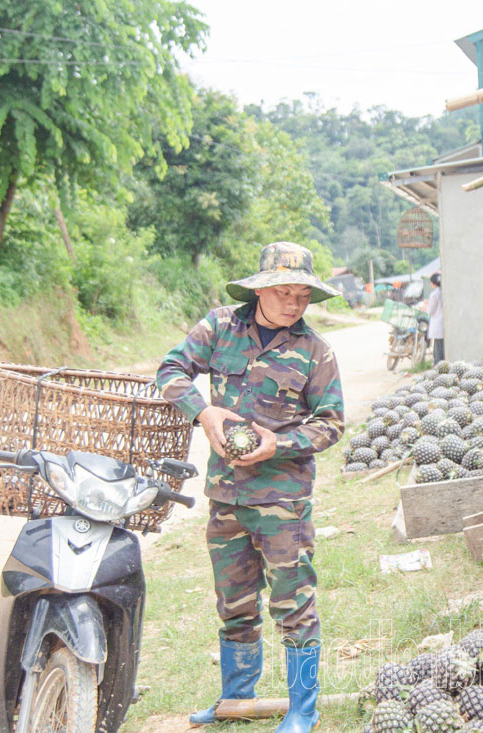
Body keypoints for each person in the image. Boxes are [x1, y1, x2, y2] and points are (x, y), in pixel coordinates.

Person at [156, 242, 344, 731]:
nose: (293, 303)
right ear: (261, 289)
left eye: (302, 295)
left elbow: (331, 424)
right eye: (284, 292)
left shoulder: (315, 352)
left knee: (293, 602)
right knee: (234, 602)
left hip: (282, 501)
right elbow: (170, 370)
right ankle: (236, 699)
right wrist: (205, 411)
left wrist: (277, 444)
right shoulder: (220, 327)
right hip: (226, 497)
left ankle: (303, 708)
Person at [427, 271, 444, 364]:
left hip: (437, 323)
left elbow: (430, 311)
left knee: (438, 350)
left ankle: (438, 366)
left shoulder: (434, 294)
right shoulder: (443, 292)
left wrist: (425, 307)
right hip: (442, 323)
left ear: (433, 283)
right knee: (441, 348)